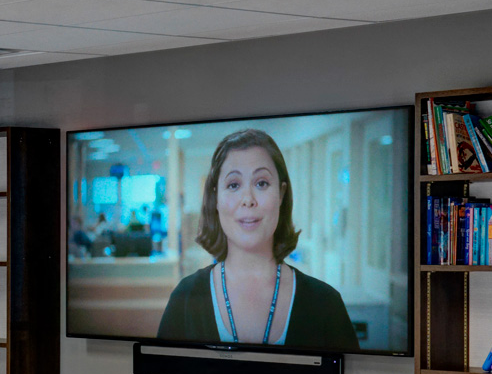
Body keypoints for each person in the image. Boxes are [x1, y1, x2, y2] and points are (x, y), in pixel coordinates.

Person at [154, 129, 360, 350]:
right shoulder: (185, 299)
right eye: (233, 185)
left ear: (281, 194)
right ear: (215, 198)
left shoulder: (325, 304)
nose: (248, 200)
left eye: (261, 183)